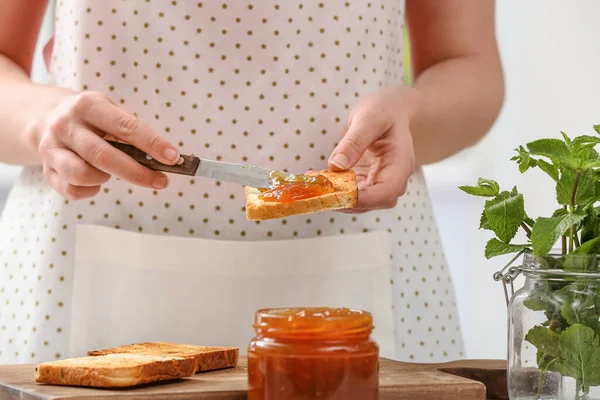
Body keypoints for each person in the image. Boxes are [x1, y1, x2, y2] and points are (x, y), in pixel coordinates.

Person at [0, 0, 503, 365]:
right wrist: (42, 120)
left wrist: (414, 116)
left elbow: (470, 68)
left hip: (366, 254)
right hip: (74, 259)